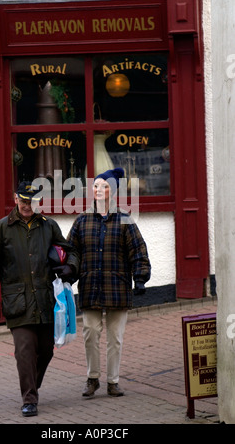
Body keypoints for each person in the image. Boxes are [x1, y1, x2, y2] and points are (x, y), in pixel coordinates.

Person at [0, 181, 79, 417]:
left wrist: (71, 267)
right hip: (18, 302)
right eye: (24, 200)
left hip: (46, 300)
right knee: (25, 350)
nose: (28, 206)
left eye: (33, 201)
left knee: (46, 350)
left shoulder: (50, 226)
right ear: (16, 199)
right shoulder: (1, 228)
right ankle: (29, 399)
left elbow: (71, 251)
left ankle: (32, 387)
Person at [67, 168, 151, 398]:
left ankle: (113, 381)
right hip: (90, 286)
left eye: (104, 186)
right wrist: (68, 274)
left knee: (115, 337)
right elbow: (72, 251)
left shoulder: (124, 219)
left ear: (112, 191)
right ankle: (92, 378)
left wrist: (140, 277)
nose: (99, 190)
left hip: (117, 287)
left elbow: (138, 250)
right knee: (90, 332)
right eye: (96, 186)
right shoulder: (82, 220)